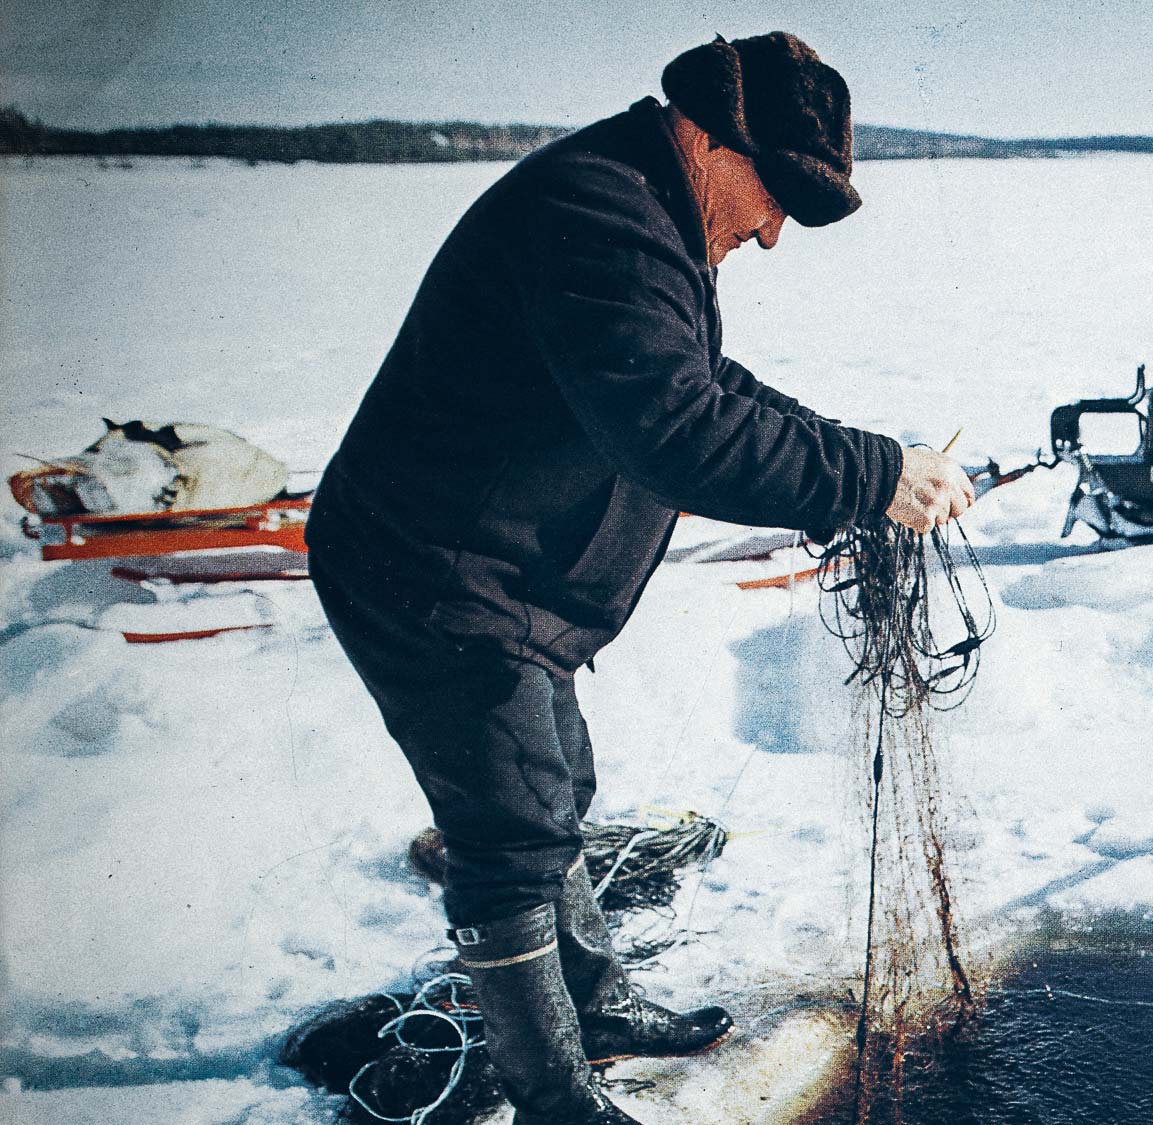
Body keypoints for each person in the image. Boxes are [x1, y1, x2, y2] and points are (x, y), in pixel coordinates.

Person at [305, 31, 975, 1125]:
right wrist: (868, 478)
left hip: (503, 573)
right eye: (776, 200)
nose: (769, 234)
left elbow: (705, 380)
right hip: (436, 573)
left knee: (555, 783)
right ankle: (555, 1098)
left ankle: (596, 1005)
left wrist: (865, 454)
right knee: (511, 833)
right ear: (708, 138)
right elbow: (675, 432)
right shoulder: (599, 215)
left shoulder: (642, 206)